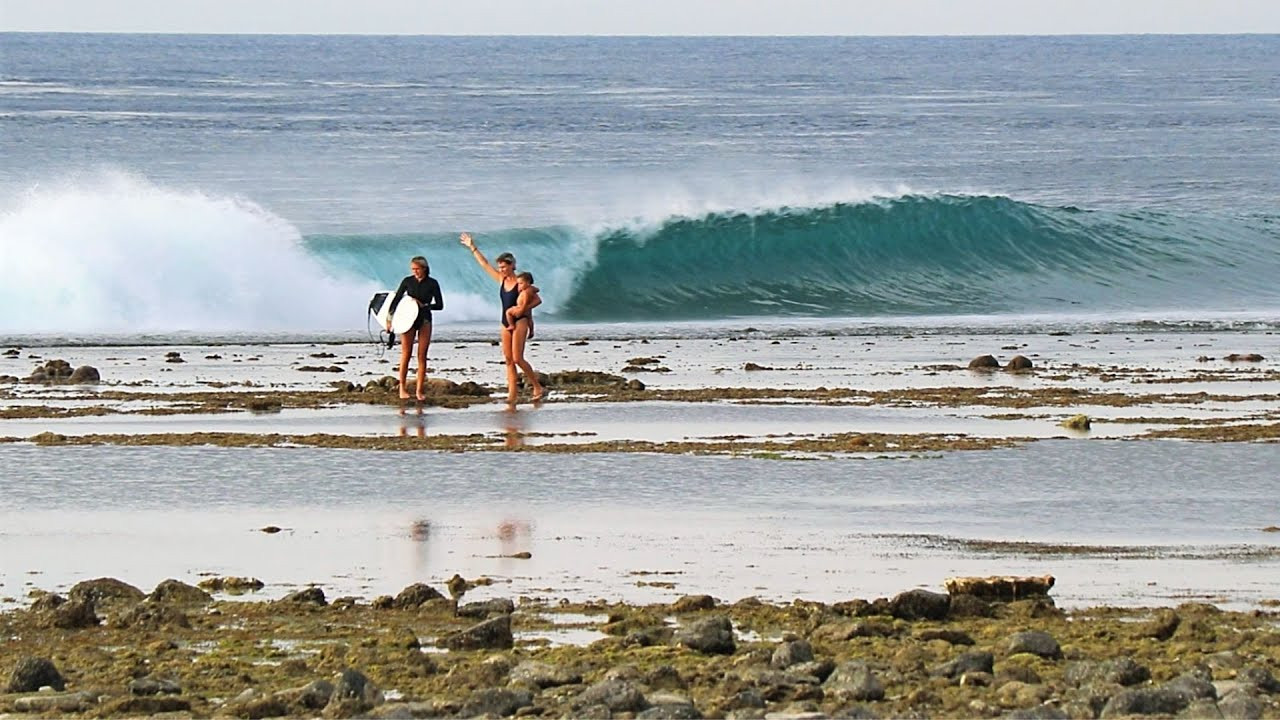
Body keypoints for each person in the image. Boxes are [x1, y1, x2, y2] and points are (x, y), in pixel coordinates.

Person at [459, 232, 546, 404]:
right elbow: (484, 264)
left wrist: (522, 309)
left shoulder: (521, 284)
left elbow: (537, 298)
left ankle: (538, 386)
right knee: (508, 360)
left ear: (512, 265)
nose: (501, 270)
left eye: (504, 267)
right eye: (499, 267)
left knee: (517, 358)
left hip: (520, 322)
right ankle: (512, 395)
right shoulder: (501, 280)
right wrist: (472, 247)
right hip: (505, 322)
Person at [386, 256, 444, 401]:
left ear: (424, 268)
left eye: (417, 269)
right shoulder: (407, 281)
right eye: (413, 269)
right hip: (407, 319)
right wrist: (389, 319)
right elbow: (396, 300)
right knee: (406, 353)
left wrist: (425, 305)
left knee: (422, 355)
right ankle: (402, 389)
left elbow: (440, 305)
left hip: (424, 319)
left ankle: (419, 391)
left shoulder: (432, 283)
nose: (415, 272)